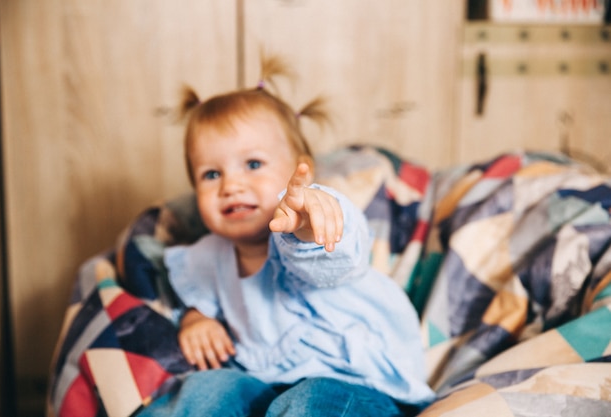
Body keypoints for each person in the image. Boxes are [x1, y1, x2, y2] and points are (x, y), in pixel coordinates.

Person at [139, 56, 435, 417]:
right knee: (205, 389)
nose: (231, 185)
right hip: (263, 384)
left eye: (253, 165)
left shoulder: (315, 215)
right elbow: (198, 295)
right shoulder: (208, 254)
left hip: (359, 383)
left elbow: (336, 256)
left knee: (311, 403)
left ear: (301, 173)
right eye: (211, 174)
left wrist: (308, 226)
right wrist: (195, 320)